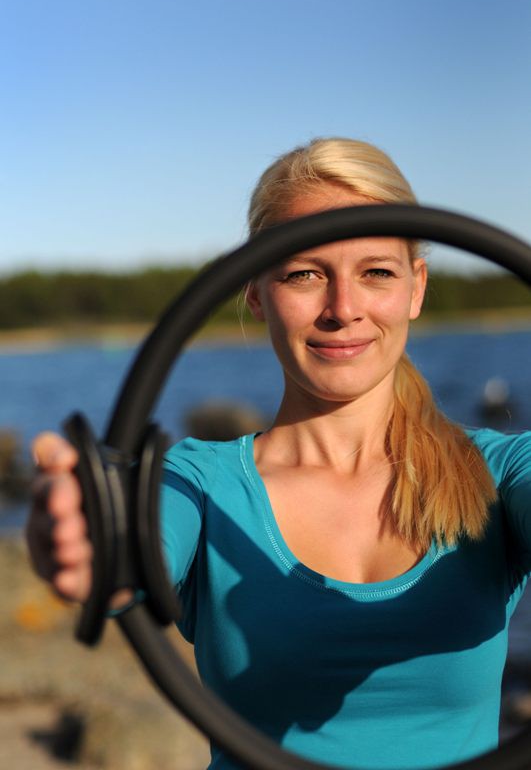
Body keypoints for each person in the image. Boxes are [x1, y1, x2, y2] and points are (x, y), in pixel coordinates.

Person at [27, 137, 531, 770]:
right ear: (256, 292)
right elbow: (137, 537)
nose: (343, 309)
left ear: (415, 288)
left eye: (375, 272)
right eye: (304, 273)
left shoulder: (500, 472)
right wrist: (91, 535)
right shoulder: (198, 484)